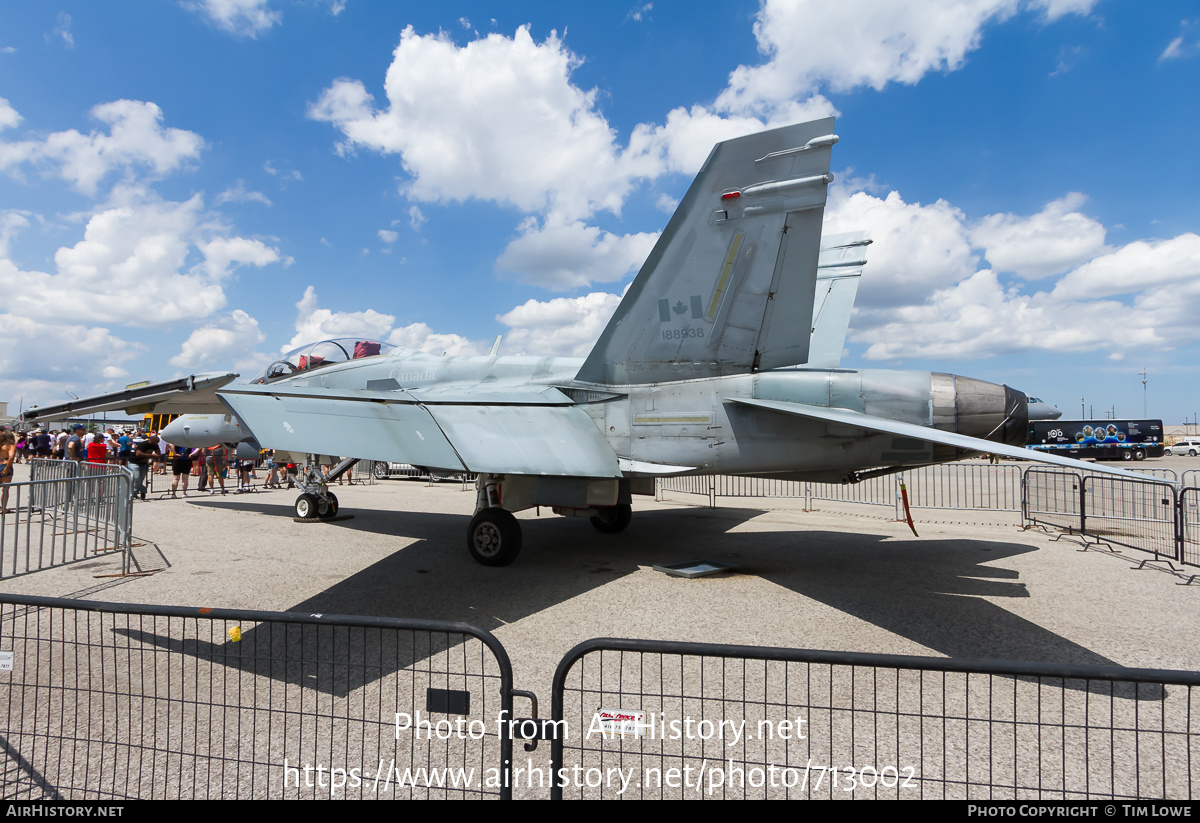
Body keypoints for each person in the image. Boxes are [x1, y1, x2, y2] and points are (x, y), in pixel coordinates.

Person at [0, 431, 15, 513]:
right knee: (5, 489)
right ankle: (3, 508)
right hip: (5, 465)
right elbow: (11, 456)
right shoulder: (10, 445)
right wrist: (7, 468)